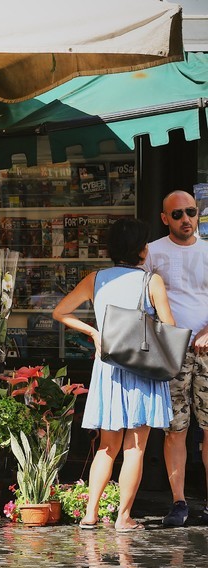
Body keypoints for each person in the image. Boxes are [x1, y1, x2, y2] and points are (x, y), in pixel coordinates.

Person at [52, 218, 176, 533]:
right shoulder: (152, 281)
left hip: (108, 369)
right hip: (142, 370)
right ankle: (123, 518)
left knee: (108, 446)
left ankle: (90, 515)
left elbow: (60, 312)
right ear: (142, 250)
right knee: (135, 447)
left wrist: (94, 332)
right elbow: (170, 330)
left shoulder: (96, 279)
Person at [143, 190, 208, 527]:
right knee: (175, 430)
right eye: (178, 214)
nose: (186, 219)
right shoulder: (152, 251)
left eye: (191, 212)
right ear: (164, 218)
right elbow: (140, 300)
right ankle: (179, 502)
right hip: (172, 352)